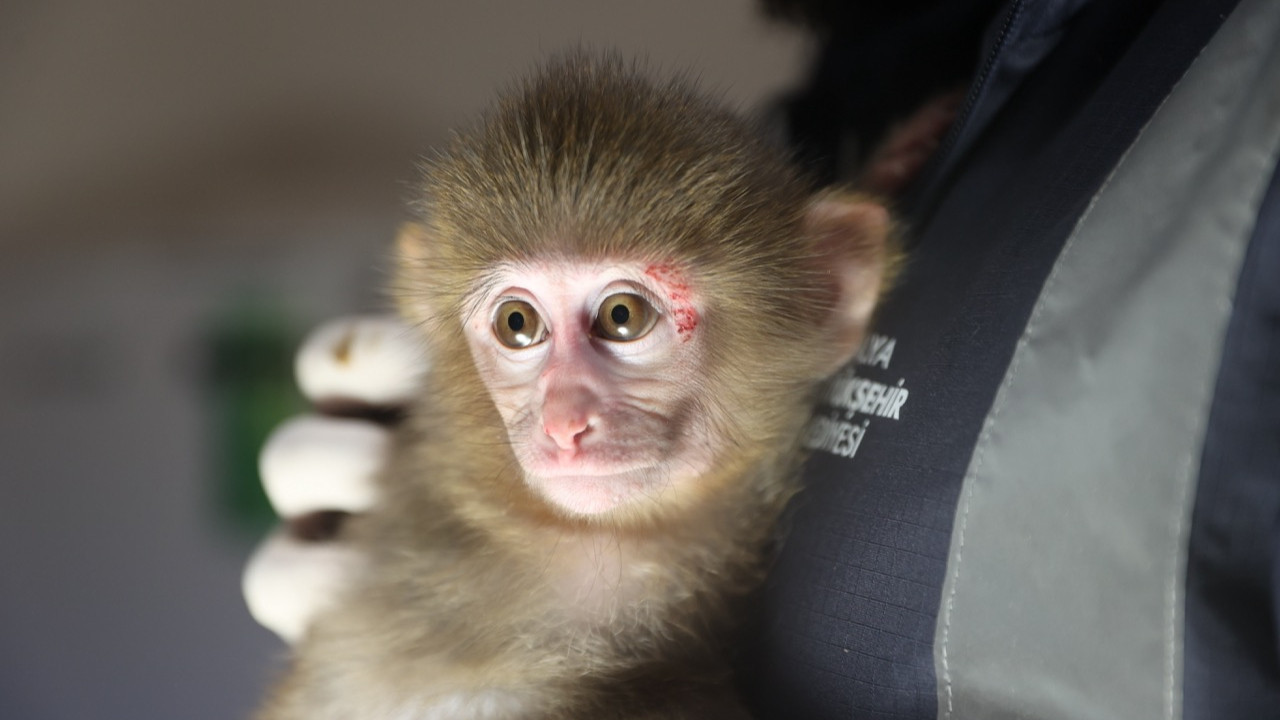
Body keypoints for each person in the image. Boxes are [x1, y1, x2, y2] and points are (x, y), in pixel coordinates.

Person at [244, 0, 1280, 717]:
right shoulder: (853, 82)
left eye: (620, 317)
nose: (560, 414)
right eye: (514, 328)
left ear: (829, 293)